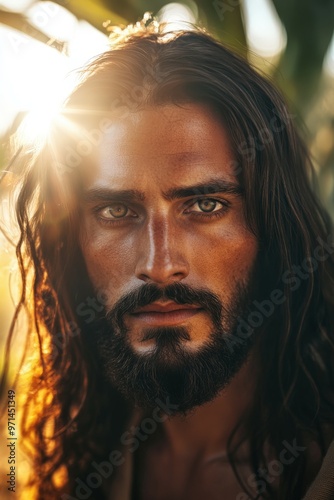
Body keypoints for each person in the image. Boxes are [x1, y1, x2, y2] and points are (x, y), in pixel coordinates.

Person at [1, 13, 334, 500]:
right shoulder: (56, 448)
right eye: (116, 210)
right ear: (71, 239)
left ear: (274, 227)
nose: (159, 265)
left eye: (204, 206)